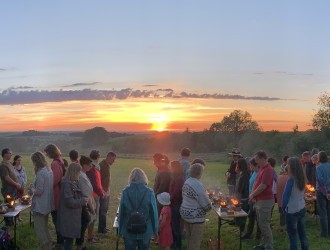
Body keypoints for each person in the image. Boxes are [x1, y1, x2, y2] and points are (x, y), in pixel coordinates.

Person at [118, 168, 158, 250]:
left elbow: (121, 212)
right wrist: (155, 230)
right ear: (144, 177)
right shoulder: (149, 192)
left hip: (128, 228)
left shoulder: (125, 191)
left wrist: (119, 230)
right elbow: (153, 213)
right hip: (146, 228)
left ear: (131, 178)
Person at [180, 163, 212, 250]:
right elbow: (206, 205)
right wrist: (210, 205)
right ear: (199, 173)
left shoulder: (187, 181)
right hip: (195, 216)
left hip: (186, 213)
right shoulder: (197, 184)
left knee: (190, 238)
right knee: (195, 241)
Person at [58, 163, 88, 250]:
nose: (80, 174)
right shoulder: (67, 184)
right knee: (68, 240)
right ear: (74, 172)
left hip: (72, 216)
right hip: (68, 216)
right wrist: (82, 200)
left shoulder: (73, 181)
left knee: (69, 239)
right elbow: (70, 202)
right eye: (79, 172)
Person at [249, 151, 274, 250]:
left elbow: (263, 186)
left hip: (265, 201)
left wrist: (252, 194)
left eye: (257, 160)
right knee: (261, 224)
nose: (256, 162)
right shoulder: (261, 169)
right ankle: (263, 244)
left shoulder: (268, 170)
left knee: (264, 225)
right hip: (260, 201)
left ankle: (269, 246)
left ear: (263, 158)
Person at [29, 152, 54, 250]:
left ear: (36, 161)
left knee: (39, 229)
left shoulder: (41, 173)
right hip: (47, 204)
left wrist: (31, 189)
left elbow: (39, 191)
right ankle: (49, 246)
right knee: (44, 228)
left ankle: (45, 247)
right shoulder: (49, 170)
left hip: (40, 205)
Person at [282, 157, 308, 250]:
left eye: (288, 164)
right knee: (302, 233)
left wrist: (283, 208)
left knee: (293, 236)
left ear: (291, 167)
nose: (287, 166)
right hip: (301, 207)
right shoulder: (303, 178)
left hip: (292, 210)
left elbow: (285, 196)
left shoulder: (291, 180)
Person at [44, 143, 65, 245]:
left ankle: (60, 241)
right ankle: (62, 240)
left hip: (57, 194)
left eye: (47, 152)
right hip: (60, 193)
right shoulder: (60, 160)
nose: (47, 155)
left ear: (51, 152)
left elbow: (54, 180)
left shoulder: (55, 164)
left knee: (57, 219)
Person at [76, 156, 95, 250]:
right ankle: (80, 245)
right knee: (83, 224)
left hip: (87, 202)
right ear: (83, 165)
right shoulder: (81, 176)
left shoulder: (83, 174)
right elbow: (85, 194)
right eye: (89, 165)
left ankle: (81, 245)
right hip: (85, 204)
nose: (91, 166)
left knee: (84, 224)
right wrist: (91, 208)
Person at [86, 150, 105, 242]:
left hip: (93, 194)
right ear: (97, 158)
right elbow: (95, 184)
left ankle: (91, 235)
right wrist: (101, 193)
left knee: (93, 216)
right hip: (93, 195)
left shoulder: (92, 167)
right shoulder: (93, 168)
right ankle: (89, 237)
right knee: (93, 216)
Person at [0, 148, 22, 226]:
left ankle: (11, 222)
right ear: (5, 154)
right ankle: (8, 224)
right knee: (8, 206)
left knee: (12, 206)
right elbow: (6, 178)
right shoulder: (3, 165)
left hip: (13, 190)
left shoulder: (9, 163)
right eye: (10, 153)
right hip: (8, 191)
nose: (11, 154)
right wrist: (16, 184)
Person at [242, 158, 261, 240]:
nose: (249, 166)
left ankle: (258, 235)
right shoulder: (254, 173)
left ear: (256, 165)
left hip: (257, 200)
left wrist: (254, 198)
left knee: (258, 218)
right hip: (251, 198)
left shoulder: (259, 174)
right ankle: (248, 234)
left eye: (251, 165)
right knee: (251, 216)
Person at [98, 151, 116, 233]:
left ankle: (103, 227)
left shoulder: (106, 165)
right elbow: (99, 180)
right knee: (103, 210)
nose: (113, 161)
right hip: (103, 192)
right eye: (112, 159)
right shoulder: (102, 165)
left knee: (105, 210)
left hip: (106, 191)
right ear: (108, 157)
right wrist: (103, 192)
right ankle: (102, 229)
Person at [169, 161, 185, 250]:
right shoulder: (176, 177)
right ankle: (173, 243)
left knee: (176, 226)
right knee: (173, 225)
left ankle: (177, 246)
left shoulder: (179, 179)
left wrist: (169, 199)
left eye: (172, 167)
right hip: (174, 204)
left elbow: (176, 193)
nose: (171, 169)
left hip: (176, 205)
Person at [315, 151, 330, 237]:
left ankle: (324, 233)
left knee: (323, 212)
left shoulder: (318, 168)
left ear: (319, 158)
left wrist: (325, 192)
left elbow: (320, 181)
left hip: (321, 192)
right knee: (329, 211)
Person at [235, 158, 250, 232]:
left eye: (237, 164)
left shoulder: (244, 176)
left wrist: (238, 202)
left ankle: (241, 231)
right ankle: (240, 229)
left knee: (241, 215)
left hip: (243, 199)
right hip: (244, 198)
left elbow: (240, 190)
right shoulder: (244, 174)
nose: (236, 166)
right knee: (241, 215)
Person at [13, 154, 27, 222]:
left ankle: (18, 217)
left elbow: (25, 177)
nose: (19, 161)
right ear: (15, 160)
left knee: (20, 202)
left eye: (20, 160)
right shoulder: (13, 168)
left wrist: (24, 184)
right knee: (15, 202)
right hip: (15, 188)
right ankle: (15, 217)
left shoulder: (23, 168)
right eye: (18, 160)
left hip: (22, 187)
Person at [276, 165, 289, 231]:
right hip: (288, 201)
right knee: (287, 214)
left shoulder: (279, 177)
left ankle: (282, 226)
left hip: (280, 199)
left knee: (282, 213)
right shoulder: (289, 178)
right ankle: (287, 227)